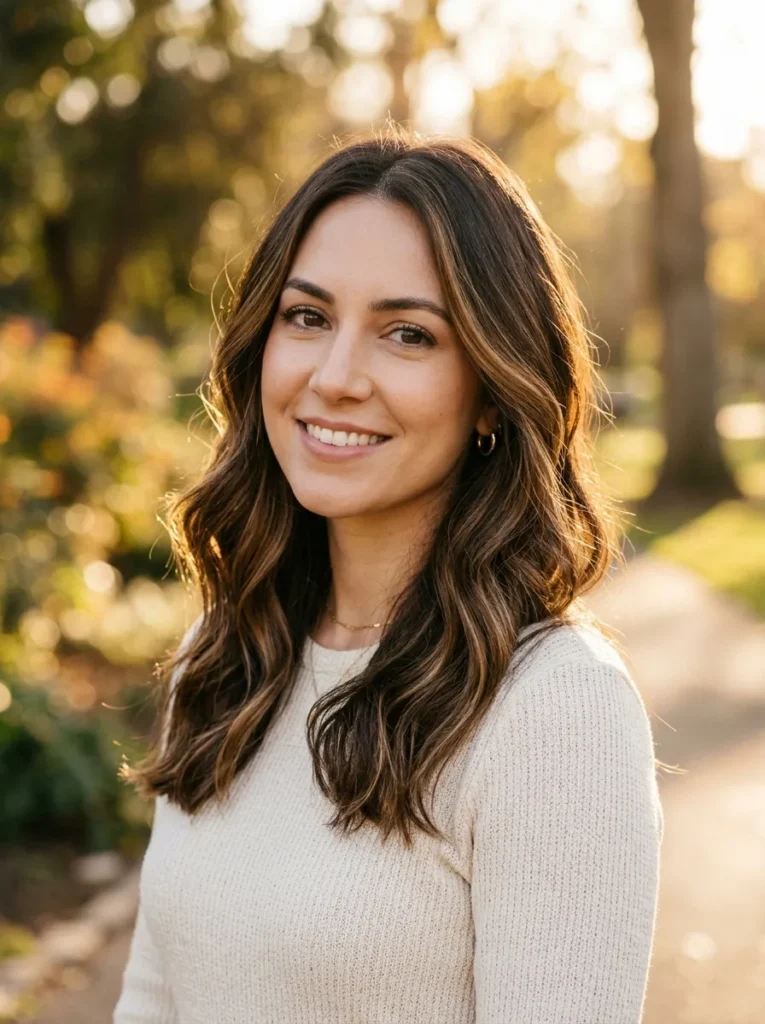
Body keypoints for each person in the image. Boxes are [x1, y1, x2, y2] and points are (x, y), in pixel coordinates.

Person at [114, 127, 663, 1024]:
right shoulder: (220, 661)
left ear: (491, 385)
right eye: (308, 317)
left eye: (407, 334)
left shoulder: (554, 711)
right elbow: (153, 998)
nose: (334, 377)